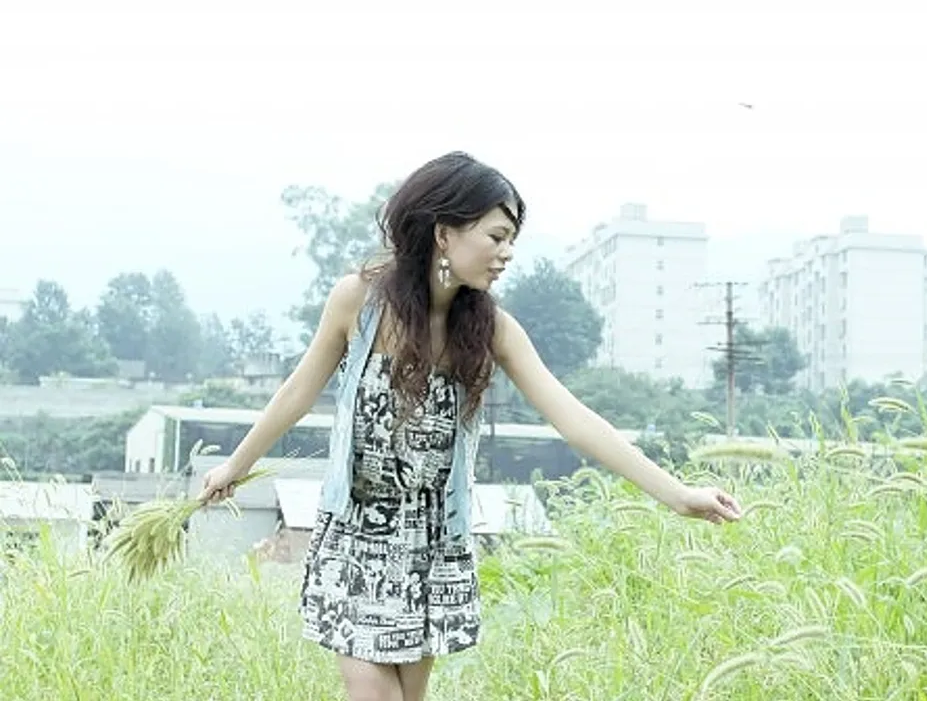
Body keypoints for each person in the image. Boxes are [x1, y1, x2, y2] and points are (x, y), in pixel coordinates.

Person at [198, 151, 742, 701]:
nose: (507, 253)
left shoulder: (490, 329)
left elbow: (573, 418)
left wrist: (678, 494)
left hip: (433, 541)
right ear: (444, 234)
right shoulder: (358, 302)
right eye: (496, 236)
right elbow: (296, 393)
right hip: (357, 531)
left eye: (512, 240)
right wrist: (234, 467)